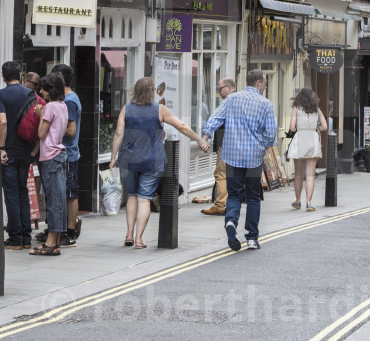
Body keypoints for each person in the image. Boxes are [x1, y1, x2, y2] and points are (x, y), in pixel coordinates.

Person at [111, 77, 208, 249]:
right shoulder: (159, 110)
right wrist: (199, 140)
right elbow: (182, 126)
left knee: (132, 195)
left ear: (136, 91)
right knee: (144, 199)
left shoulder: (127, 109)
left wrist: (113, 158)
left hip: (129, 160)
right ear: (150, 91)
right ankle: (139, 239)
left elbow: (118, 134)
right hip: (151, 161)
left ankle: (129, 234)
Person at [203, 69, 277, 252]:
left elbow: (215, 118)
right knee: (253, 197)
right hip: (253, 158)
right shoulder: (265, 104)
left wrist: (205, 137)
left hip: (232, 156)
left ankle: (230, 222)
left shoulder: (232, 99)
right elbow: (270, 133)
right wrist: (264, 147)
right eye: (265, 83)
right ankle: (252, 238)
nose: (265, 86)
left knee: (234, 193)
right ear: (258, 83)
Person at [0, 60, 37, 250]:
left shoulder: (0, 95)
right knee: (23, 192)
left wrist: (2, 147)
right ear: (20, 75)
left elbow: (2, 122)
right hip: (26, 148)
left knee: (11, 193)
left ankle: (15, 237)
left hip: (10, 149)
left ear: (3, 77)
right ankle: (27, 237)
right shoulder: (30, 94)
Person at [31, 74, 70, 256]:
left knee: (53, 202)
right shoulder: (63, 106)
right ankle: (53, 241)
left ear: (51, 89)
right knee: (58, 200)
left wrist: (40, 115)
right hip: (60, 156)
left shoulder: (50, 107)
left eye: (44, 88)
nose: (40, 91)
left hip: (50, 158)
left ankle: (51, 244)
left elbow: (41, 133)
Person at [51, 63, 82, 247]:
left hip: (68, 154)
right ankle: (62, 228)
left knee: (70, 194)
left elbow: (70, 131)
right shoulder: (68, 98)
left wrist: (50, 128)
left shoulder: (69, 101)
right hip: (66, 153)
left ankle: (70, 233)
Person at [287, 88, 328, 209]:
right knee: (310, 175)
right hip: (313, 139)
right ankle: (309, 203)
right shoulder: (317, 109)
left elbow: (292, 128)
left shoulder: (296, 108)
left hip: (300, 138)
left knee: (298, 174)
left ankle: (298, 201)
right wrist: (315, 129)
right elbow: (325, 126)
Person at [202, 78, 237, 216]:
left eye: (220, 88)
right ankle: (231, 203)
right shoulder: (243, 100)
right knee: (234, 174)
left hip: (227, 143)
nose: (219, 91)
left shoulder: (229, 101)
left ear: (229, 88)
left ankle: (220, 204)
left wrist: (205, 137)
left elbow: (215, 119)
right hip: (241, 144)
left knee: (221, 173)